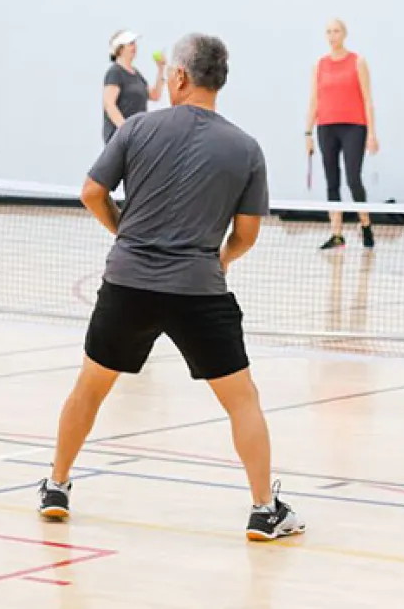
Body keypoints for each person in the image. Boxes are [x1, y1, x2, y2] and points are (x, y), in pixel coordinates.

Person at [39, 33, 304, 542]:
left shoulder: (137, 128)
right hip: (199, 290)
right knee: (242, 400)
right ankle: (263, 509)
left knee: (89, 389)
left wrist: (125, 232)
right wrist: (219, 258)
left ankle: (56, 485)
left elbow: (91, 193)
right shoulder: (245, 148)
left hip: (128, 284)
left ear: (179, 76)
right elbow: (246, 234)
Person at [303, 19, 379, 250]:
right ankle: (336, 235)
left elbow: (367, 99)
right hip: (326, 127)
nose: (332, 35)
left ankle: (365, 226)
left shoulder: (358, 62)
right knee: (332, 181)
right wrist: (308, 133)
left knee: (353, 179)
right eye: (328, 31)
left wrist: (372, 133)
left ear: (344, 34)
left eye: (336, 31)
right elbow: (314, 101)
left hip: (354, 126)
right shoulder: (320, 65)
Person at [101, 30, 165, 143]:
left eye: (134, 43)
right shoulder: (115, 72)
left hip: (137, 137)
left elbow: (155, 95)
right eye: (130, 44)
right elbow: (109, 105)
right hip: (119, 139)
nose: (134, 46)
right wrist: (125, 130)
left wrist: (161, 69)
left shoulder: (136, 74)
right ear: (120, 48)